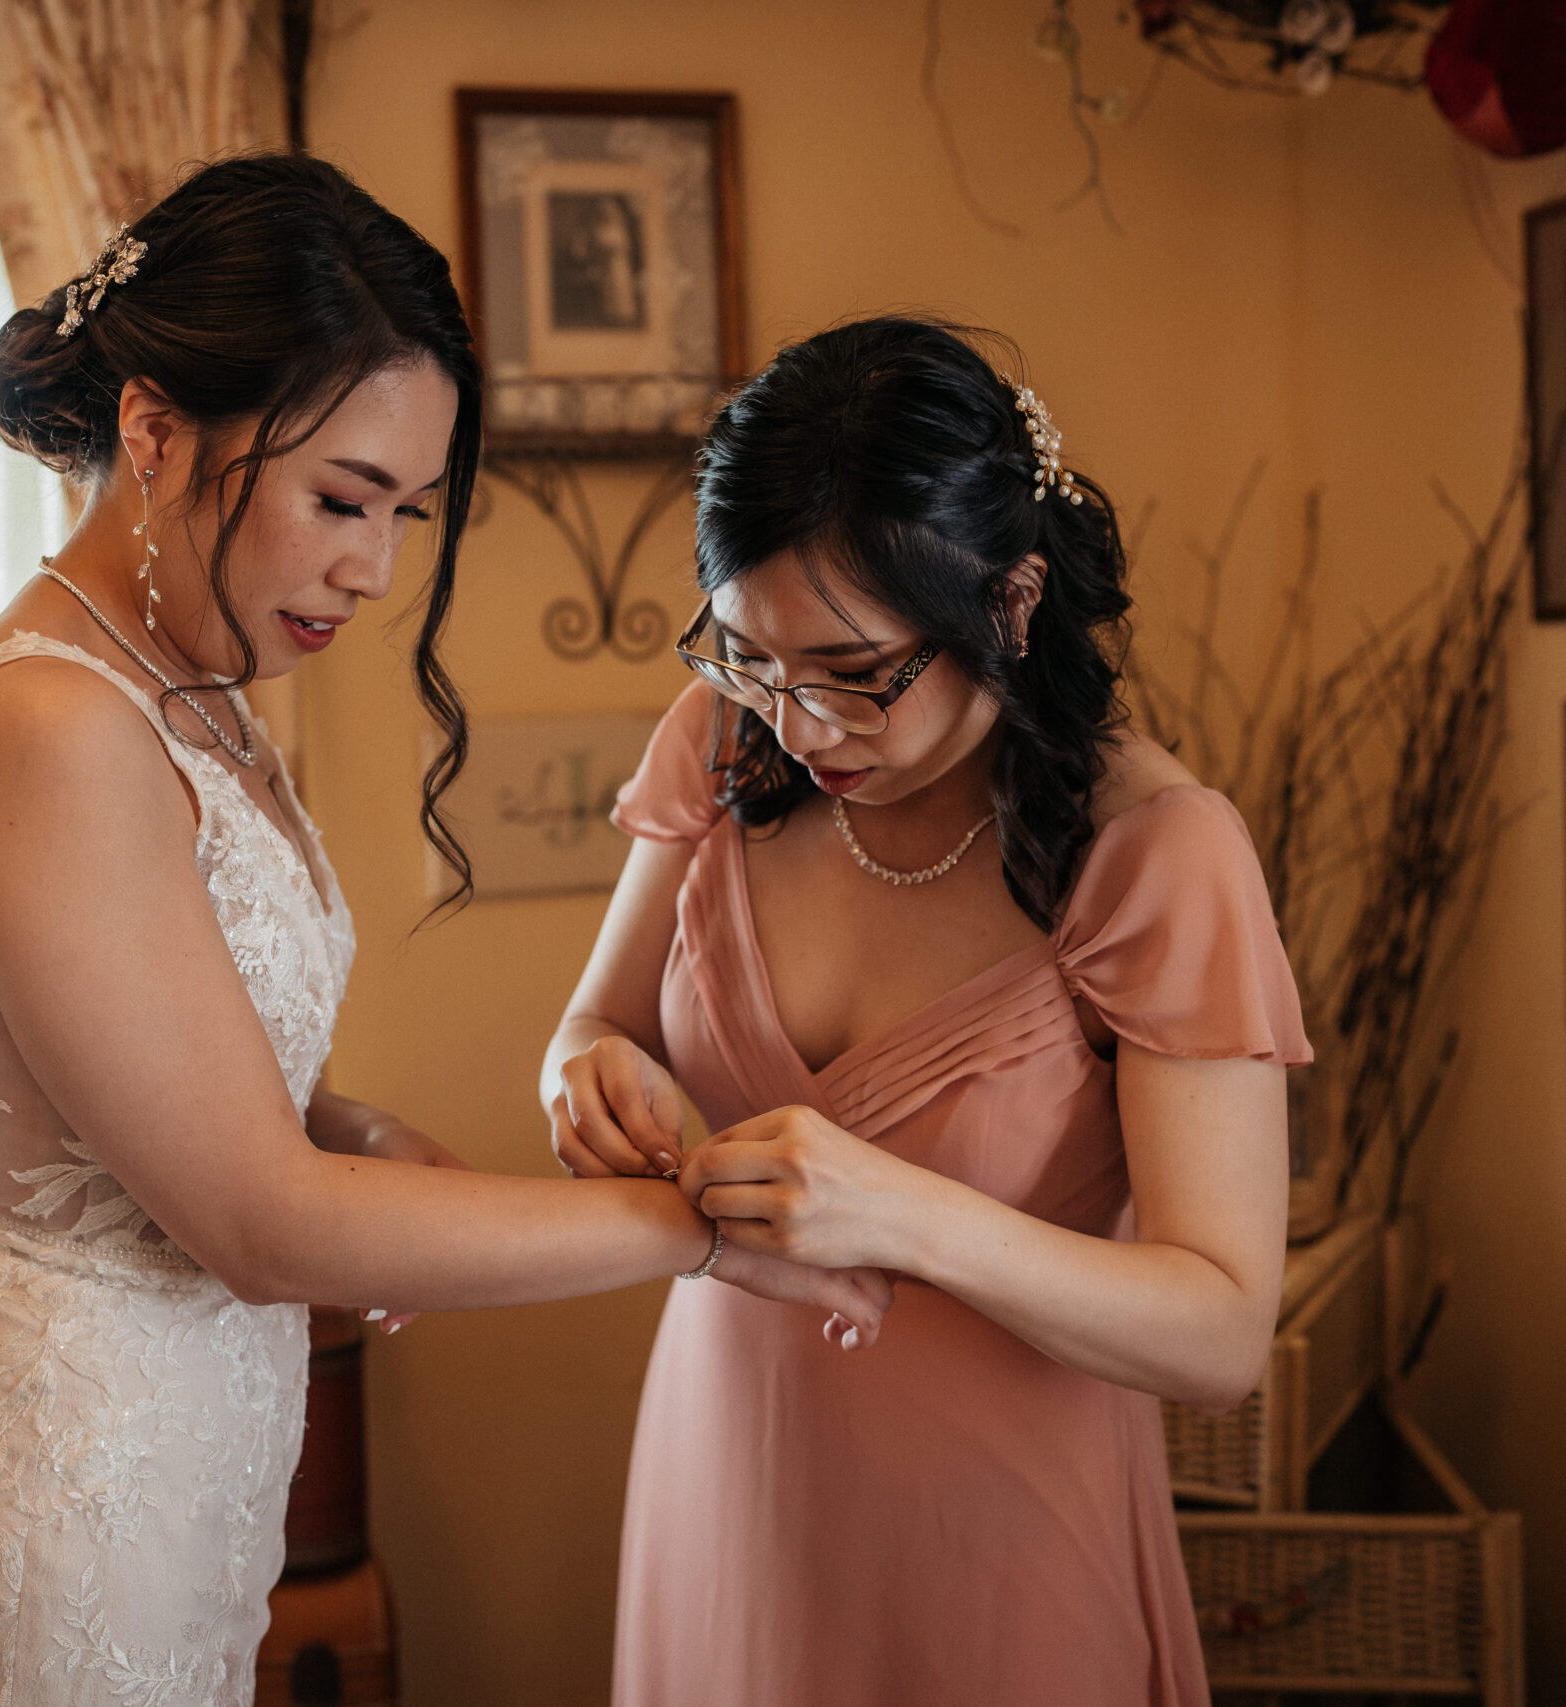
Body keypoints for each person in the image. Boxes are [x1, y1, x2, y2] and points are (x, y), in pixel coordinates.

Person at [0, 154, 890, 1706]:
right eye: (339, 499)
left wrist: (339, 1121)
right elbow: (258, 1226)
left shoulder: (192, 702)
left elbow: (132, 1071)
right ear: (156, 431)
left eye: (407, 514)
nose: (372, 570)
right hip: (40, 1512)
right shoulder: (53, 722)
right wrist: (710, 1229)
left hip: (174, 1486)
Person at [542, 316, 1310, 1705]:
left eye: (855, 673)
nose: (801, 725)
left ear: (1008, 606)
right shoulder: (723, 748)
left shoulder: (1154, 850)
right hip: (727, 1478)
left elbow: (1219, 1330)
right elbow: (596, 1023)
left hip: (1005, 1535)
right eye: (747, 655)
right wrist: (584, 1074)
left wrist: (903, 1216)